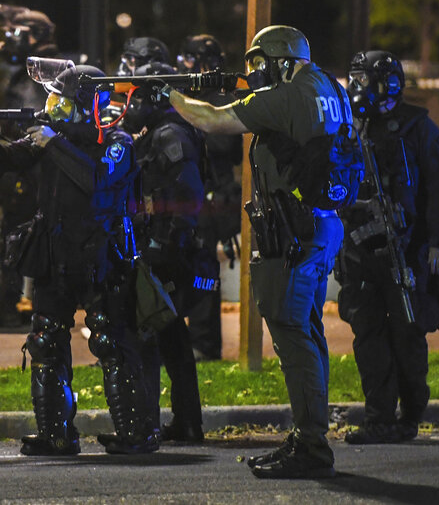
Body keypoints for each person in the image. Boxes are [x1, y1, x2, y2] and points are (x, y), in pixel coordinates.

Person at [162, 25, 348, 479]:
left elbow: (209, 119)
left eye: (262, 64)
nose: (258, 74)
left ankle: (311, 444)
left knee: (291, 331)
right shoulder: (328, 87)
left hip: (296, 234)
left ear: (284, 60)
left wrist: (169, 91)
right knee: (307, 330)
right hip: (323, 225)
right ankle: (311, 435)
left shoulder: (286, 97)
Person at [0, 65, 157, 456]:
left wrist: (53, 143)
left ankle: (136, 433)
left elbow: (98, 181)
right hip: (55, 254)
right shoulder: (53, 138)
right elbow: (8, 161)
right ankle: (56, 434)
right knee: (45, 341)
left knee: (110, 342)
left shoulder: (118, 141)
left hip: (102, 257)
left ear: (87, 105)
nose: (53, 109)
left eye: (62, 102)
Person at [336, 50, 439, 444]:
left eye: (362, 79)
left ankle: (409, 416)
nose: (355, 87)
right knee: (367, 333)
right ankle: (379, 419)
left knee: (407, 333)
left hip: (406, 250)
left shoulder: (418, 128)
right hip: (358, 251)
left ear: (386, 84)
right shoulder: (350, 125)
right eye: (352, 79)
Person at [118, 60, 206, 444]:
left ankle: (149, 424)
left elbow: (189, 195)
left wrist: (166, 246)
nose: (130, 102)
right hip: (161, 247)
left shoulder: (170, 135)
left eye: (136, 94)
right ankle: (185, 422)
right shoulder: (158, 131)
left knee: (153, 335)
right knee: (171, 338)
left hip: (167, 252)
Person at [0, 5, 59, 330]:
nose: (11, 41)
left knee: (18, 237)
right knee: (14, 236)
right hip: (27, 172)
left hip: (32, 174)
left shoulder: (42, 72)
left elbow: (32, 125)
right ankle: (7, 307)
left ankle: (12, 310)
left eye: (18, 35)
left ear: (37, 37)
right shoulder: (34, 70)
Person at [176, 34, 242, 362]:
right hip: (193, 200)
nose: (184, 65)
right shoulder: (196, 98)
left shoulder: (220, 101)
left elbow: (223, 146)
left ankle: (205, 342)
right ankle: (191, 338)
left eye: (190, 59)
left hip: (212, 202)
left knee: (202, 274)